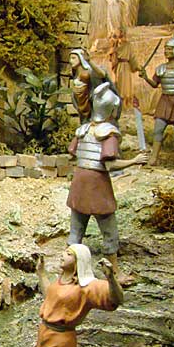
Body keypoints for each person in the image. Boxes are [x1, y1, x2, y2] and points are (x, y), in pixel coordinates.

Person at [67, 82, 148, 285]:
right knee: (109, 231)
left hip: (79, 182)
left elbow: (73, 154)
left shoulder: (83, 130)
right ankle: (115, 273)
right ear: (112, 110)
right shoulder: (108, 133)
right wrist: (134, 161)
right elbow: (110, 164)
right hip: (97, 185)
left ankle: (68, 272)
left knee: (76, 231)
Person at [139, 33, 174, 167]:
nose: (167, 51)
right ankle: (154, 157)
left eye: (170, 49)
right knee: (158, 130)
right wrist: (145, 77)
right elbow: (155, 84)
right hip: (164, 102)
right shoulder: (161, 69)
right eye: (166, 49)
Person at [68, 49, 117, 123]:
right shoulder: (75, 74)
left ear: (81, 58)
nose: (70, 61)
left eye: (73, 58)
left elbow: (102, 74)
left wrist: (89, 61)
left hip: (91, 103)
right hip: (81, 103)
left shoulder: (89, 71)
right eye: (70, 58)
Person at [108, 28, 140, 111]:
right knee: (118, 85)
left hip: (125, 68)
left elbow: (132, 57)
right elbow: (111, 57)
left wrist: (137, 66)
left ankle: (125, 105)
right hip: (119, 67)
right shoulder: (115, 45)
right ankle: (119, 105)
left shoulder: (128, 45)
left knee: (125, 87)